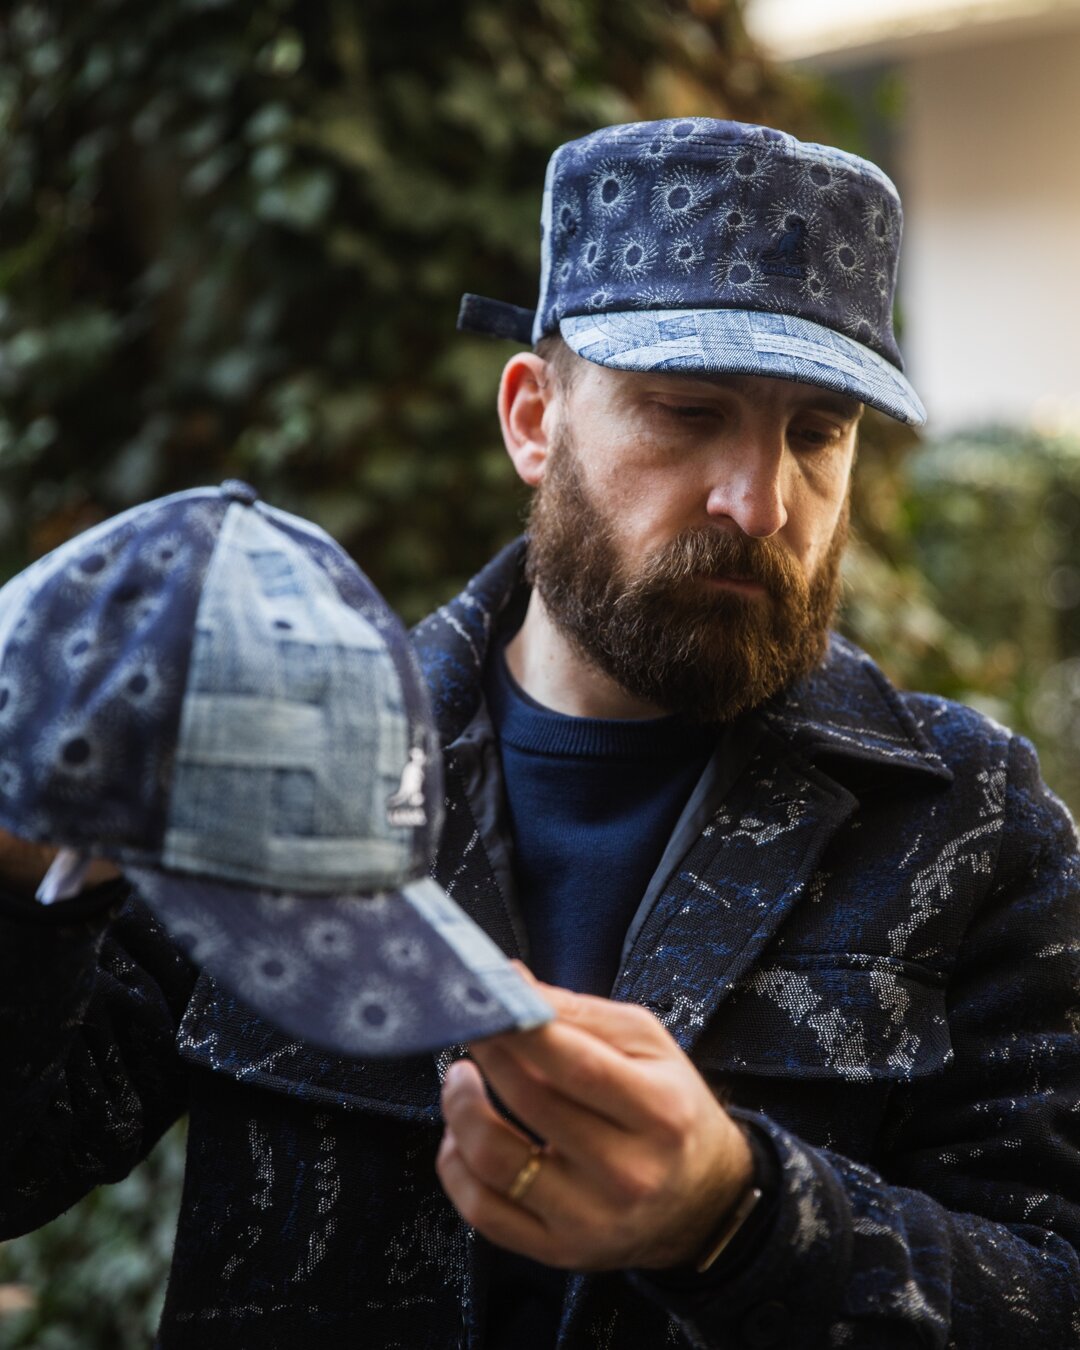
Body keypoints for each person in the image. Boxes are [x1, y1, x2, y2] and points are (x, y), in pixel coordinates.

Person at [1, 117, 1079, 1350]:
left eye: (816, 433)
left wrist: (738, 1219)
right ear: (532, 417)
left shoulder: (968, 820)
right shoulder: (277, 752)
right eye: (687, 410)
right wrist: (23, 877)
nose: (759, 501)